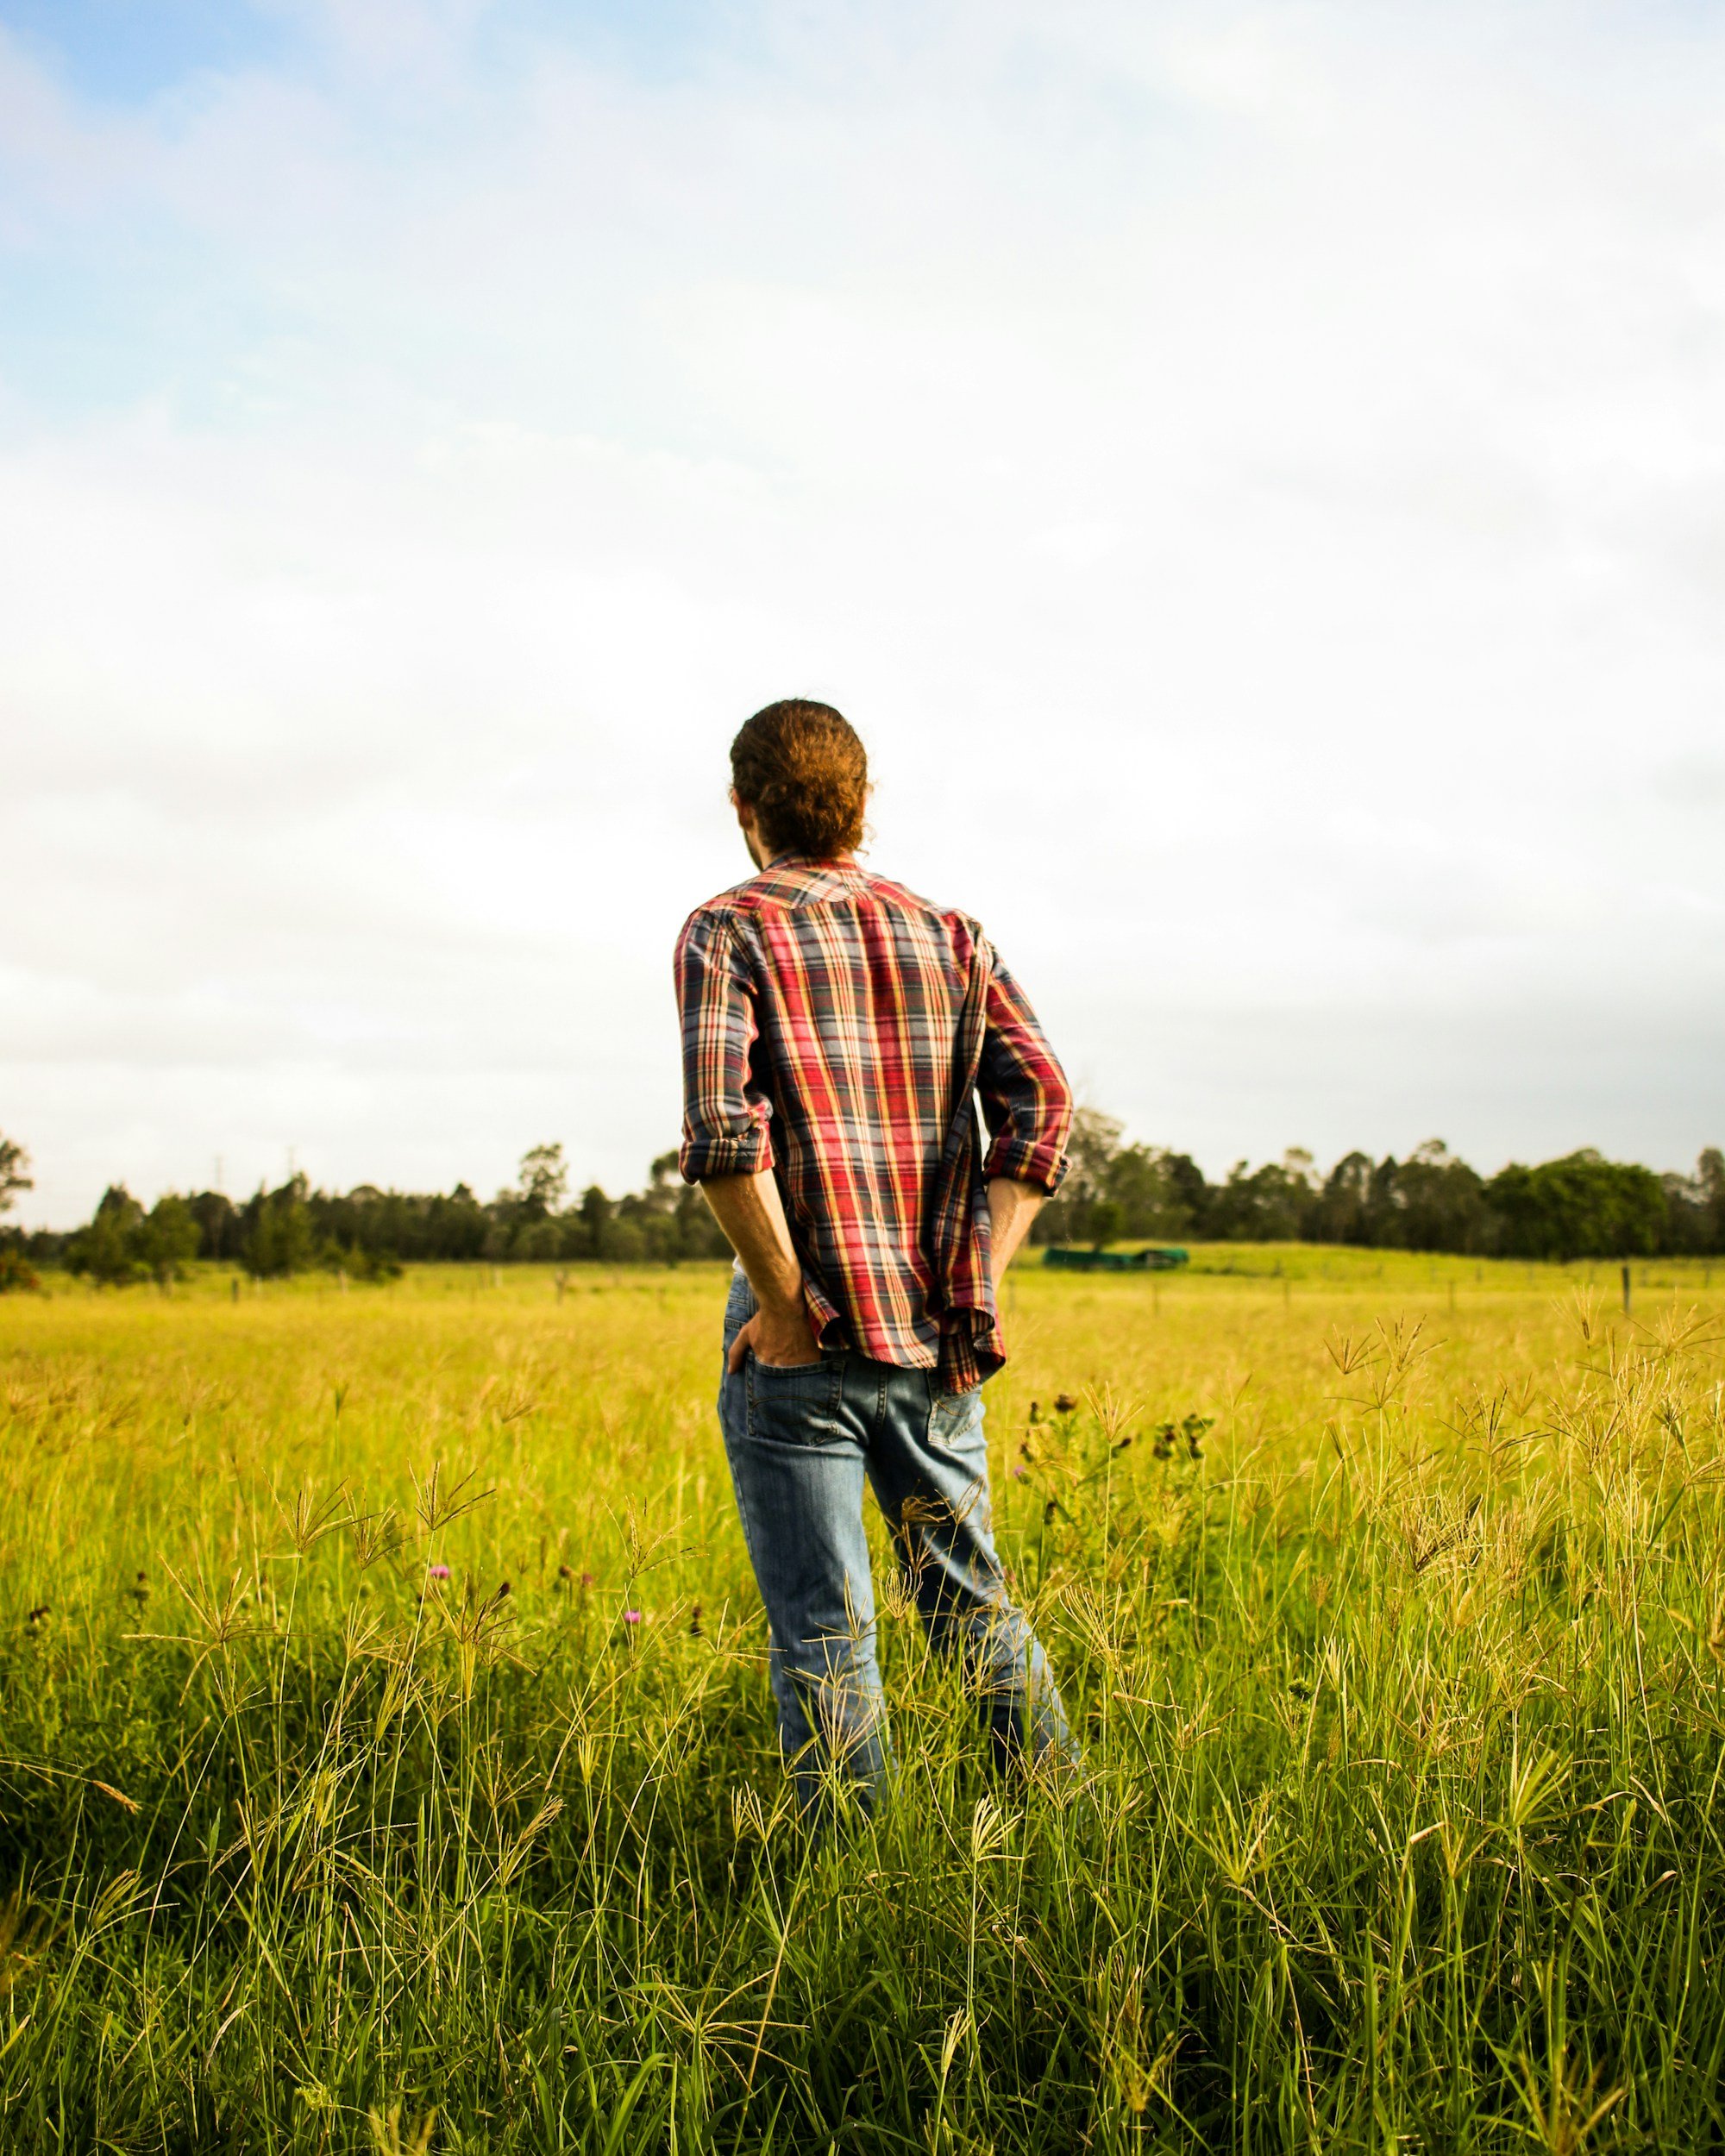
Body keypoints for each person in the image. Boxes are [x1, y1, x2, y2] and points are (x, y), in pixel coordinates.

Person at [674, 698, 1079, 1808]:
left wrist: (784, 1302)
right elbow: (1042, 1103)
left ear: (743, 806)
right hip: (932, 1335)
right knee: (972, 1605)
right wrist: (977, 1277)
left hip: (801, 1338)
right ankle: (1060, 1825)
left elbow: (723, 1136)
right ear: (860, 803)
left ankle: (849, 1886)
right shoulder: (951, 934)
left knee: (823, 1628)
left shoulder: (728, 929)